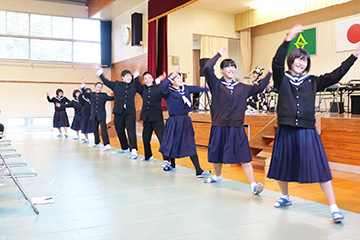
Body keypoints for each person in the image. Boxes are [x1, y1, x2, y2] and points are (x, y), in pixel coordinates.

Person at [267, 24, 359, 223]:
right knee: (282, 165)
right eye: (298, 59)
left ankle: (333, 206)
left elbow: (337, 74)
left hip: (307, 131)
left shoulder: (313, 81)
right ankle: (285, 196)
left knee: (320, 167)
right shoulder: (282, 79)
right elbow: (276, 62)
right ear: (291, 61)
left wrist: (354, 56)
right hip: (286, 129)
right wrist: (289, 38)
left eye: (304, 60)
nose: (301, 63)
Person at [203, 46, 272, 196]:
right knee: (216, 154)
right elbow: (208, 67)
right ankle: (218, 176)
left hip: (236, 128)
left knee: (245, 157)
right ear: (221, 70)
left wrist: (270, 73)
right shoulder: (216, 84)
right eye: (227, 66)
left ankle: (253, 185)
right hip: (219, 126)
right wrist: (219, 54)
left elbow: (260, 87)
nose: (231, 69)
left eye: (233, 66)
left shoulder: (242, 87)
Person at [159, 71, 211, 178]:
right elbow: (162, 88)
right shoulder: (168, 91)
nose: (179, 79)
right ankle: (172, 164)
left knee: (190, 143)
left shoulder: (186, 88)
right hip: (174, 120)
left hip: (185, 120)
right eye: (177, 78)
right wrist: (170, 77)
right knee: (171, 143)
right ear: (172, 81)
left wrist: (212, 87)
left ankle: (198, 170)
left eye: (180, 77)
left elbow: (199, 88)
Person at [93, 64, 138, 159]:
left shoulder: (134, 86)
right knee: (119, 130)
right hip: (118, 111)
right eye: (127, 76)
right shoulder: (116, 84)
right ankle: (125, 147)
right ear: (123, 77)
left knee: (131, 130)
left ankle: (133, 150)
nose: (129, 77)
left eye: (130, 76)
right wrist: (100, 73)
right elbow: (106, 81)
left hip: (130, 111)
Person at [135, 71, 168, 162]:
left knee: (161, 138)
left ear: (152, 79)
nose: (147, 80)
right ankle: (148, 156)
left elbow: (167, 93)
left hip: (157, 117)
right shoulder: (143, 89)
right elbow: (137, 85)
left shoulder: (158, 88)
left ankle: (166, 159)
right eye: (145, 79)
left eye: (149, 78)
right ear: (144, 81)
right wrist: (136, 74)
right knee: (145, 138)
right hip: (147, 117)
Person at [81, 77, 114, 151]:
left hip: (101, 115)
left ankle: (107, 144)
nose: (99, 88)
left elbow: (112, 98)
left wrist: (117, 93)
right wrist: (83, 85)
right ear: (95, 87)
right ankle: (97, 142)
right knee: (95, 129)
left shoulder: (104, 95)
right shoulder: (91, 94)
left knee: (103, 130)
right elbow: (84, 93)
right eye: (98, 87)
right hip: (93, 115)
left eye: (100, 87)